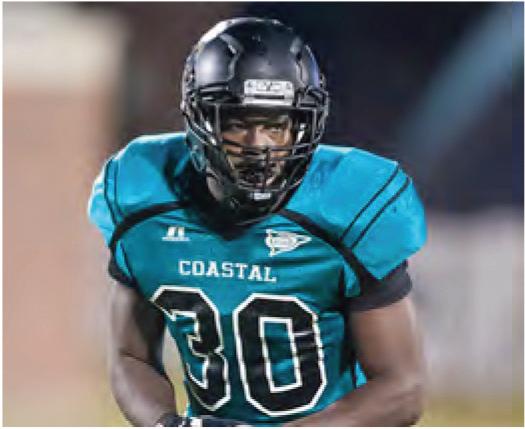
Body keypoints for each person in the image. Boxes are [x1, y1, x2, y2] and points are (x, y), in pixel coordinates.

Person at [88, 17, 427, 427]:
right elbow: (131, 356)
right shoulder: (146, 196)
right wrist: (168, 425)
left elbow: (401, 389)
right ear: (201, 121)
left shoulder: (348, 206)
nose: (259, 145)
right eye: (238, 123)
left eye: (275, 125)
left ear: (302, 124)